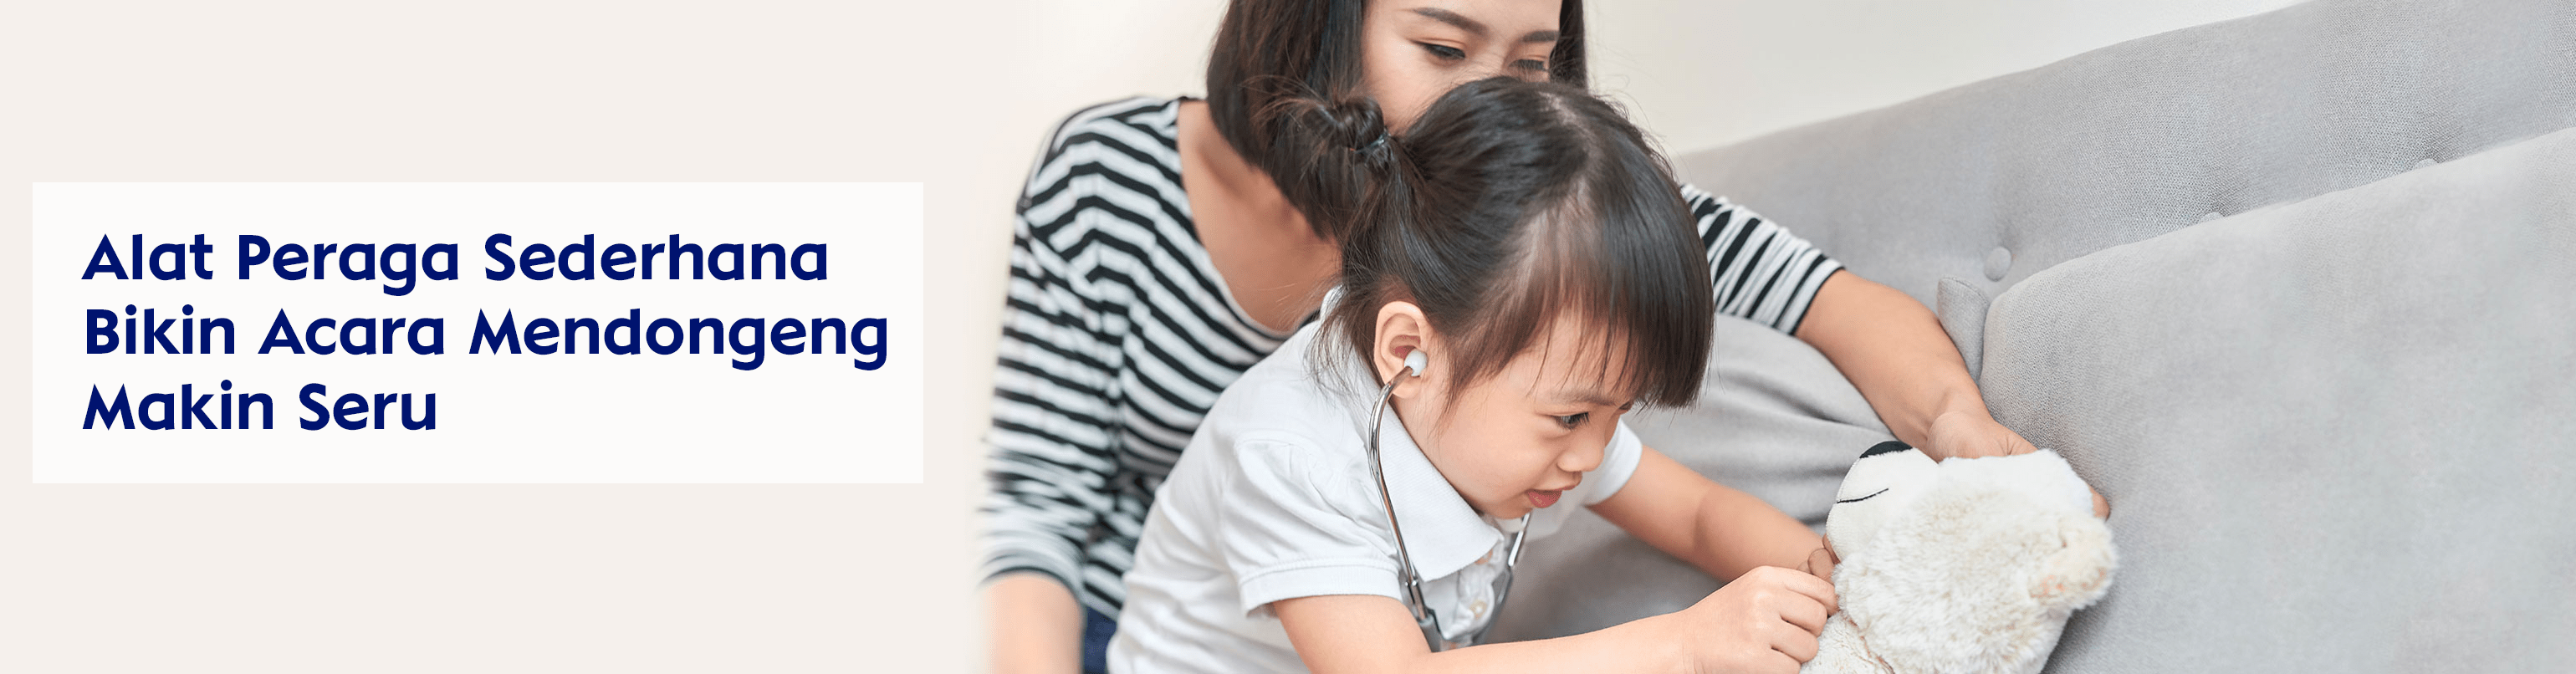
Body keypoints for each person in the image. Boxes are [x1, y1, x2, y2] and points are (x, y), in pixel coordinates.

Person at [982, 2, 2067, 671]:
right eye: (1445, 45)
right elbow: (1036, 501)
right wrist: (1687, 645)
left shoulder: (1558, 287)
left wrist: (1883, 552)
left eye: (1533, 60)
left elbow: (1694, 496)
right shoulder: (1302, 434)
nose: (1486, 104)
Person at [1108, 77, 1839, 673]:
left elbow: (1699, 515)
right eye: (1573, 418)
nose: (1592, 455)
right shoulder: (1291, 457)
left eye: (1622, 412)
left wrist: (1842, 587)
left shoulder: (1534, 402)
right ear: (1408, 355)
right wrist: (1682, 645)